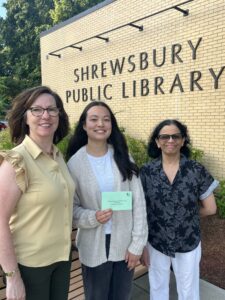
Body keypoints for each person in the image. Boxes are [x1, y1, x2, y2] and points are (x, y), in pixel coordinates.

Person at [67, 101, 148, 300]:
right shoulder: (74, 164)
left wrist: (137, 244)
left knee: (121, 296)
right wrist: (92, 217)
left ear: (112, 125)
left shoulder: (122, 156)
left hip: (124, 244)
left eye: (106, 119)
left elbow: (138, 203)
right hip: (93, 245)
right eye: (94, 119)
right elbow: (71, 209)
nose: (100, 124)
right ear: (84, 125)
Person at [0, 86, 75, 300]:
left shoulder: (58, 156)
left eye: (52, 110)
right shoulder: (16, 161)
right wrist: (12, 277)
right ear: (25, 117)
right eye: (37, 110)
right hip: (31, 267)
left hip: (61, 259)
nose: (46, 115)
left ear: (59, 116)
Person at [140, 119, 218, 300]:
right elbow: (140, 209)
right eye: (164, 136)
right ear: (157, 142)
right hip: (155, 241)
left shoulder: (196, 170)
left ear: (183, 141)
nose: (170, 140)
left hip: (188, 241)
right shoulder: (146, 172)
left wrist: (185, 217)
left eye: (176, 136)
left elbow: (210, 208)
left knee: (188, 290)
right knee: (158, 286)